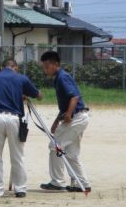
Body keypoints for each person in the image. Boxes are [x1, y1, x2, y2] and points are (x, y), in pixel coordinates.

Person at [0, 59, 41, 198]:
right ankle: (20, 189)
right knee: (17, 156)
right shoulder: (21, 78)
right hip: (14, 118)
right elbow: (38, 95)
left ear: (2, 67)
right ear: (15, 67)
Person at [39, 51, 91, 193]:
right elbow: (65, 103)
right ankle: (82, 184)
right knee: (71, 154)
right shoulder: (58, 78)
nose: (45, 69)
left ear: (56, 64)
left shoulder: (62, 77)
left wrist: (68, 114)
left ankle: (57, 182)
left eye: (47, 66)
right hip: (78, 117)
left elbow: (74, 97)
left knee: (54, 146)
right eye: (44, 67)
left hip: (76, 117)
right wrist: (57, 121)